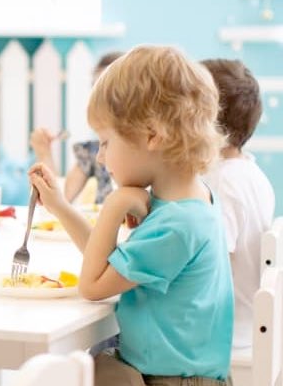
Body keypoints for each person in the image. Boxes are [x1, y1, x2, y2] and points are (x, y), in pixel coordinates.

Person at [29, 45, 233, 385]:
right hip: (168, 373)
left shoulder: (176, 226)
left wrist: (113, 204)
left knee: (72, 370)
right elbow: (111, 262)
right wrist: (61, 207)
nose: (99, 157)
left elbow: (93, 285)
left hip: (169, 381)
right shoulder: (189, 202)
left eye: (105, 142)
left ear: (152, 136)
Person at [202, 58, 276, 349]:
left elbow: (207, 267)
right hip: (246, 327)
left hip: (224, 337)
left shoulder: (221, 182)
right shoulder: (250, 172)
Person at [30, 51, 124, 204]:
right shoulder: (92, 151)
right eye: (95, 90)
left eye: (111, 91)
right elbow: (59, 200)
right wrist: (44, 153)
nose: (101, 99)